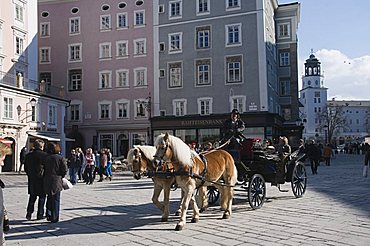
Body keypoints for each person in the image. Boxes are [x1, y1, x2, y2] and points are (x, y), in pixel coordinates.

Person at [43, 142, 68, 223]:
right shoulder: (60, 158)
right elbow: (64, 169)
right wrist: (62, 175)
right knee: (56, 199)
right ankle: (55, 217)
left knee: (49, 198)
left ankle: (49, 214)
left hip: (47, 179)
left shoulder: (46, 158)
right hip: (57, 179)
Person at [24, 139, 48, 220]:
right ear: (41, 146)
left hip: (32, 179)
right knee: (42, 197)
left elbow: (26, 168)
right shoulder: (44, 155)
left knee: (32, 197)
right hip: (41, 179)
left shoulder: (28, 155)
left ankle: (29, 213)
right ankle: (40, 214)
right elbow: (46, 168)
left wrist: (30, 174)